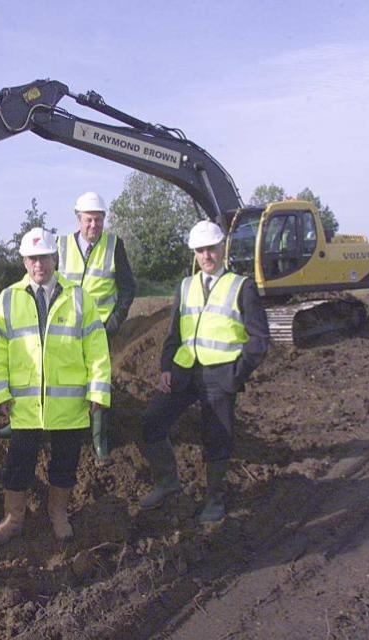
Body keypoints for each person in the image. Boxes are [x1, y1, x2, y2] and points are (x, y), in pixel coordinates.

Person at [0, 228, 111, 545]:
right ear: (25, 261)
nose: (39, 264)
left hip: (69, 402)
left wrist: (98, 390)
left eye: (44, 258)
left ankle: (59, 515)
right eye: (32, 258)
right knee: (18, 463)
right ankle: (13, 519)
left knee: (65, 462)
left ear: (56, 259)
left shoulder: (79, 297)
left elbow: (96, 347)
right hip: (25, 405)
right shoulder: (9, 299)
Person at [0, 192, 135, 468]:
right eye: (89, 219)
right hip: (62, 325)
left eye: (99, 220)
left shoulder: (114, 245)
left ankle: (99, 441)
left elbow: (127, 288)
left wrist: (114, 322)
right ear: (78, 219)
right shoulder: (60, 245)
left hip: (99, 326)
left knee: (99, 380)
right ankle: (19, 426)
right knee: (45, 374)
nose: (94, 225)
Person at [137, 220, 269, 522]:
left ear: (222, 249)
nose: (206, 256)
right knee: (151, 421)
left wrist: (237, 374)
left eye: (211, 249)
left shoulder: (241, 286)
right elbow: (173, 334)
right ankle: (168, 482)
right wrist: (165, 367)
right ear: (194, 253)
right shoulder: (185, 287)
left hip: (220, 375)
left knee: (217, 437)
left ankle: (214, 498)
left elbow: (259, 341)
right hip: (184, 372)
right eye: (200, 251)